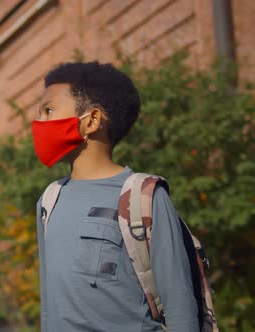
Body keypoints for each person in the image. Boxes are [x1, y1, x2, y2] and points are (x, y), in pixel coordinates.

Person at [32, 62, 198, 331]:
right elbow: (50, 308)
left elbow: (181, 310)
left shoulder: (143, 196)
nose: (39, 123)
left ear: (92, 121)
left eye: (48, 111)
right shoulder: (49, 200)